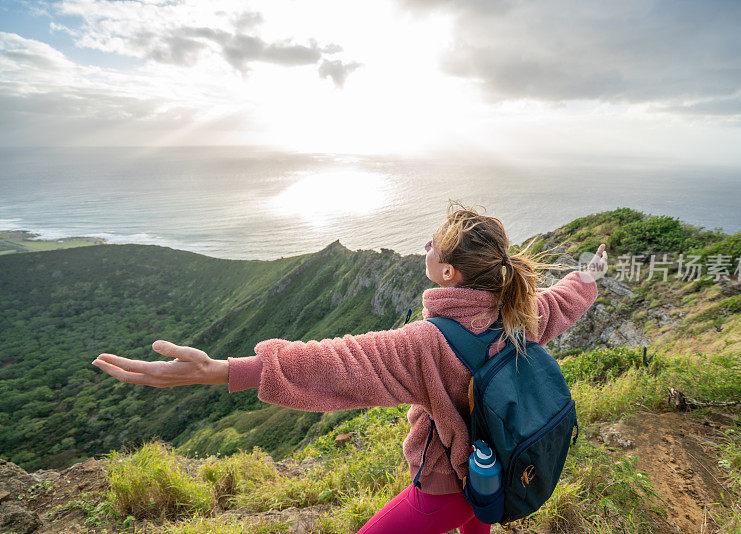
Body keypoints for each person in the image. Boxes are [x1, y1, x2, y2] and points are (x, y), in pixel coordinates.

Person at [92, 200, 607, 534]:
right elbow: (560, 303)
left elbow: (339, 364)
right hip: (495, 462)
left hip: (450, 482)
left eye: (433, 244)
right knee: (480, 518)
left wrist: (224, 370)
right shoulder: (517, 312)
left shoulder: (426, 343)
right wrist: (588, 278)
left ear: (448, 273)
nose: (424, 246)